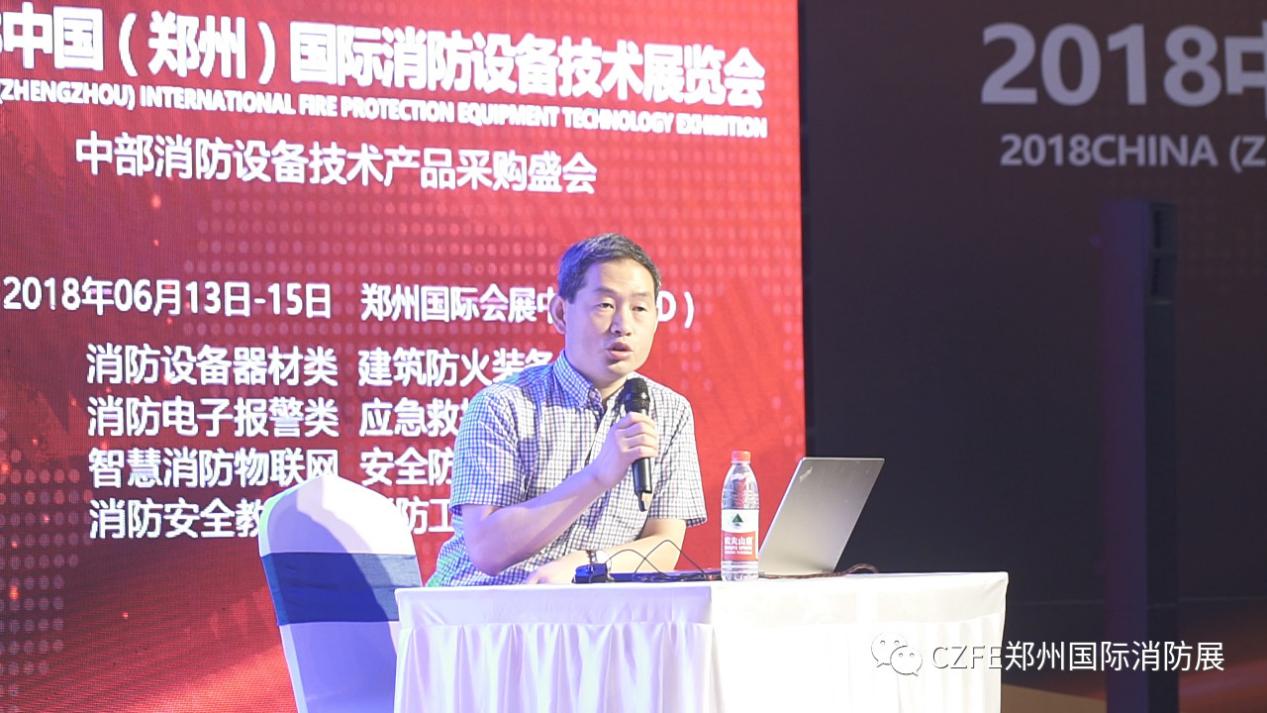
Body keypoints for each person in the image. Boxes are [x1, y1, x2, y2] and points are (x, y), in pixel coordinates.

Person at [427, 234, 706, 585]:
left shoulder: (670, 412)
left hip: (591, 609)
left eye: (639, 308)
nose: (623, 325)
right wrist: (599, 475)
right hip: (483, 605)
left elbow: (663, 546)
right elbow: (487, 550)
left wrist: (587, 565)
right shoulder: (503, 405)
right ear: (561, 313)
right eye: (605, 305)